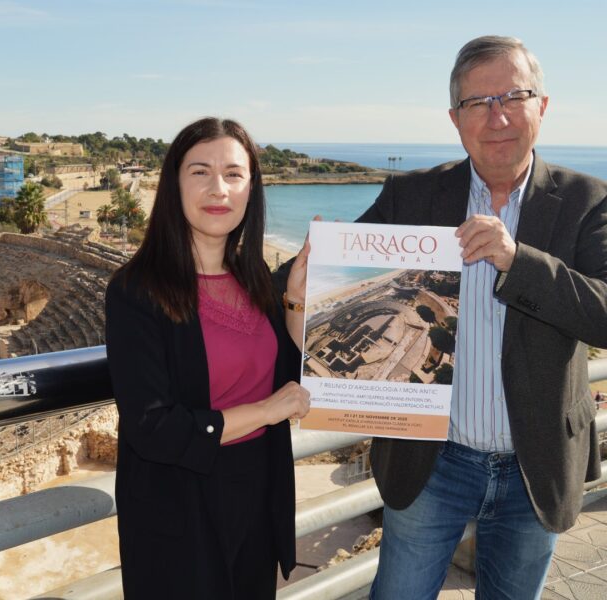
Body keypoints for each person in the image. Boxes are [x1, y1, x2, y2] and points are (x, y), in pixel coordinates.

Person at [353, 36, 607, 598]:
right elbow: (335, 268)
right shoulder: (410, 197)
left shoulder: (590, 200)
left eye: (514, 95)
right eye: (478, 102)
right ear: (454, 118)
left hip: (535, 464)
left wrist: (519, 262)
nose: (498, 116)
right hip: (431, 463)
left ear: (543, 105)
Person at [105, 117, 311, 599]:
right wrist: (265, 412)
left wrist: (297, 302)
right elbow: (152, 426)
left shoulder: (253, 275)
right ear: (174, 184)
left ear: (251, 188)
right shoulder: (136, 291)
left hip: (257, 499)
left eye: (234, 174)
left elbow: (282, 381)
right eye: (200, 172)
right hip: (179, 510)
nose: (218, 188)